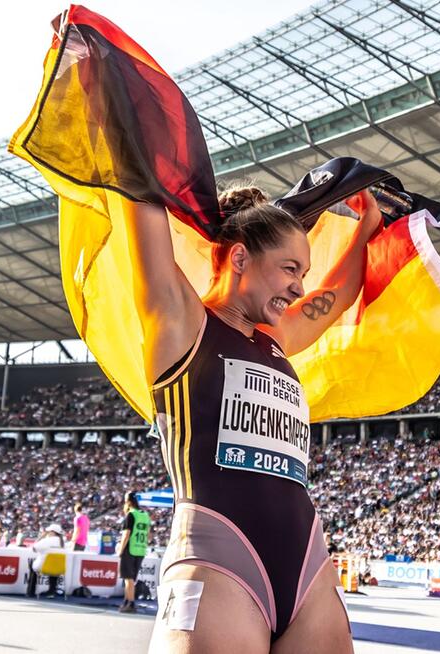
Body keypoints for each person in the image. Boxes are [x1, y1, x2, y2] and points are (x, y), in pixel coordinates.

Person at [131, 183, 380, 652]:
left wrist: (367, 223)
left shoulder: (278, 336)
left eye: (303, 272)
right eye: (290, 268)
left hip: (307, 565)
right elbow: (138, 201)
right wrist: (126, 116)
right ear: (240, 259)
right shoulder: (182, 322)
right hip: (219, 559)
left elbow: (340, 293)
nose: (300, 287)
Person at [117, 492, 150, 614]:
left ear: (128, 502)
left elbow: (126, 534)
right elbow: (148, 534)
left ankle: (130, 603)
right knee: (131, 579)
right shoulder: (145, 515)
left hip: (130, 549)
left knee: (128, 578)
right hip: (140, 549)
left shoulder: (130, 515)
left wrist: (120, 550)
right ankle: (127, 601)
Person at [26, 524, 65, 598]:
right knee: (54, 568)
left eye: (48, 531)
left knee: (32, 566)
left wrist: (41, 536)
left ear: (53, 532)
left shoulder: (46, 540)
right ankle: (51, 592)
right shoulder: (63, 543)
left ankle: (30, 592)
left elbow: (34, 548)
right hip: (59, 568)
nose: (47, 532)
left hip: (44, 567)